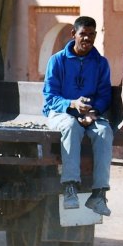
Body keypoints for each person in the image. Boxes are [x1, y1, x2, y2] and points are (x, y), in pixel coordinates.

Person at [43, 16, 113, 216]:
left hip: (89, 114)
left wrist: (93, 112)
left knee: (104, 131)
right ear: (73, 34)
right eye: (83, 34)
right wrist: (71, 104)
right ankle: (70, 187)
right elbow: (49, 97)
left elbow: (104, 94)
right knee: (71, 127)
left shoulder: (100, 63)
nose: (87, 39)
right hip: (60, 113)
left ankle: (99, 195)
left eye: (91, 35)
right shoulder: (57, 61)